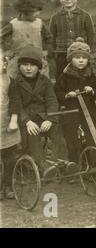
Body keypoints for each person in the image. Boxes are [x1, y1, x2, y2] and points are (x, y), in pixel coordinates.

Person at [8, 45, 68, 176]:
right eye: (25, 65)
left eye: (32, 65)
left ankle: (62, 162)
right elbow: (17, 105)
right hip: (26, 120)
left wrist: (50, 119)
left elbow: (52, 101)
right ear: (19, 66)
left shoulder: (44, 81)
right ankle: (42, 165)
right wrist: (27, 121)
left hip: (43, 117)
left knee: (57, 129)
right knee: (33, 132)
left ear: (38, 67)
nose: (28, 68)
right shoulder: (15, 83)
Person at [54, 39, 96, 165]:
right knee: (73, 139)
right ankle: (75, 165)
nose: (81, 60)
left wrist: (92, 90)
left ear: (88, 60)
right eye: (77, 57)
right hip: (72, 114)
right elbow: (57, 92)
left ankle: (93, 164)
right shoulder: (64, 77)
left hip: (89, 114)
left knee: (92, 137)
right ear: (71, 60)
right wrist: (66, 95)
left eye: (84, 58)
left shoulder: (90, 76)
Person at [50, 0, 95, 78]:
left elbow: (91, 35)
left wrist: (88, 51)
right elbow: (51, 38)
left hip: (80, 55)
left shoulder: (85, 16)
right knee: (62, 78)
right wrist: (53, 54)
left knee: (82, 77)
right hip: (61, 55)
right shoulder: (55, 17)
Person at [1, 0, 52, 79]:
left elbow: (49, 38)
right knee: (15, 83)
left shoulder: (39, 23)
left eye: (39, 11)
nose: (38, 14)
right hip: (18, 60)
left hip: (37, 59)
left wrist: (46, 51)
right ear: (24, 11)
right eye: (35, 12)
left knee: (42, 81)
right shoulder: (13, 24)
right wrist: (6, 51)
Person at [0, 57, 21, 200]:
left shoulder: (10, 82)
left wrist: (13, 120)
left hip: (6, 125)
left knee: (10, 159)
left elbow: (15, 101)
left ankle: (8, 185)